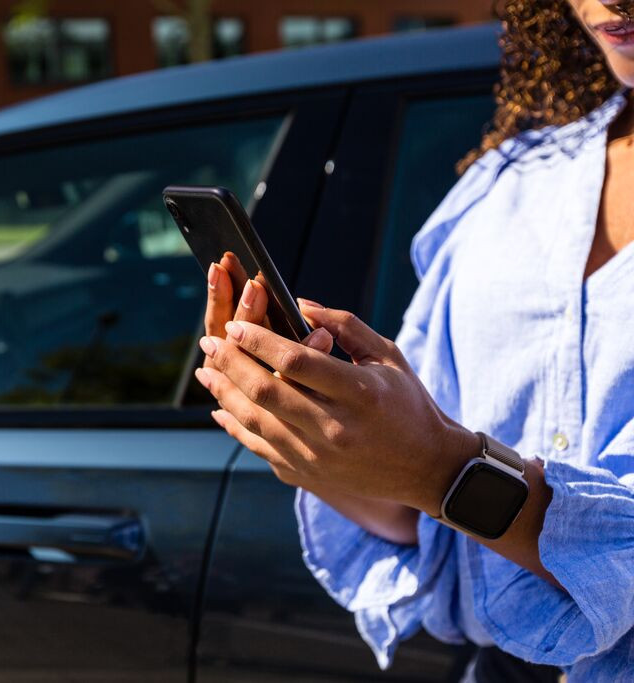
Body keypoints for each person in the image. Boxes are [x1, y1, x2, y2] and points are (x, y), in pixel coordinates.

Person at [193, 0, 634, 680]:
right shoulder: (516, 178)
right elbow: (416, 513)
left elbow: (441, 473)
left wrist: (441, 468)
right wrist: (320, 442)